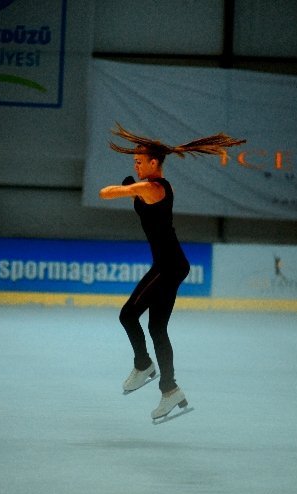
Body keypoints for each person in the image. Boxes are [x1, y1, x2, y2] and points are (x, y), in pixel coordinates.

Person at [99, 123, 246, 419]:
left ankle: (144, 366)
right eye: (135, 162)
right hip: (171, 264)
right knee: (156, 328)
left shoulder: (152, 187)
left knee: (128, 315)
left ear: (155, 163)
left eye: (140, 162)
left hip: (168, 266)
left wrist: (126, 189)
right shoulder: (153, 188)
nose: (136, 165)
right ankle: (170, 390)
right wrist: (133, 191)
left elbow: (105, 193)